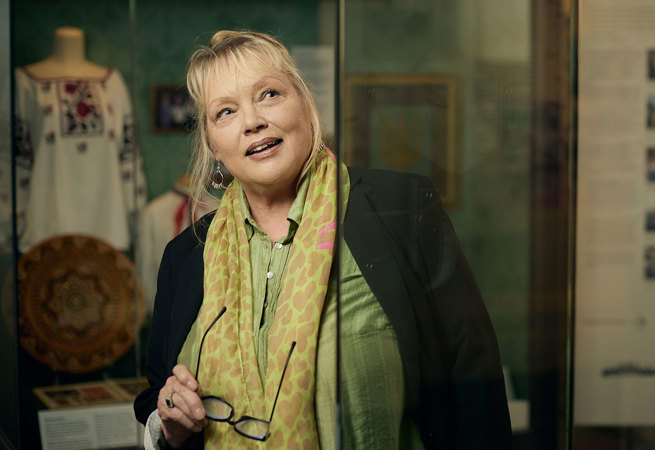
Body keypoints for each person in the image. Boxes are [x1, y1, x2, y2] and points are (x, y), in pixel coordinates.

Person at [133, 30, 511, 449]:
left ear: (306, 104)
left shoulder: (400, 211)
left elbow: (474, 381)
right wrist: (169, 424)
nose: (252, 121)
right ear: (213, 146)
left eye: (270, 94)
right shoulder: (185, 257)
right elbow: (157, 395)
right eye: (225, 112)